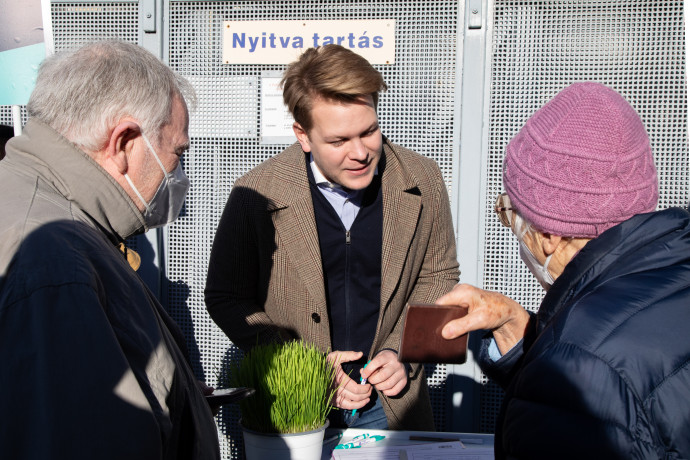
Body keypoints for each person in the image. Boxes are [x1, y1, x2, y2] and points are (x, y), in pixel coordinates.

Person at [205, 44, 459, 431]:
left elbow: (439, 275)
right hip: (293, 404)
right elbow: (226, 296)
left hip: (393, 404)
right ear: (303, 136)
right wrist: (305, 367)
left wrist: (403, 354)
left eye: (370, 131)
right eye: (339, 141)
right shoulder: (255, 194)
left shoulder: (423, 179)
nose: (361, 152)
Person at [436, 82, 690, 458]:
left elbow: (590, 390)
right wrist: (527, 336)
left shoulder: (583, 362)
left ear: (548, 236)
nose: (508, 225)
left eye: (508, 212)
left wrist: (556, 359)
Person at [0, 40, 220, 459]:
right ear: (123, 143)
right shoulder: (52, 258)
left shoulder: (53, 217)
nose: (180, 175)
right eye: (178, 153)